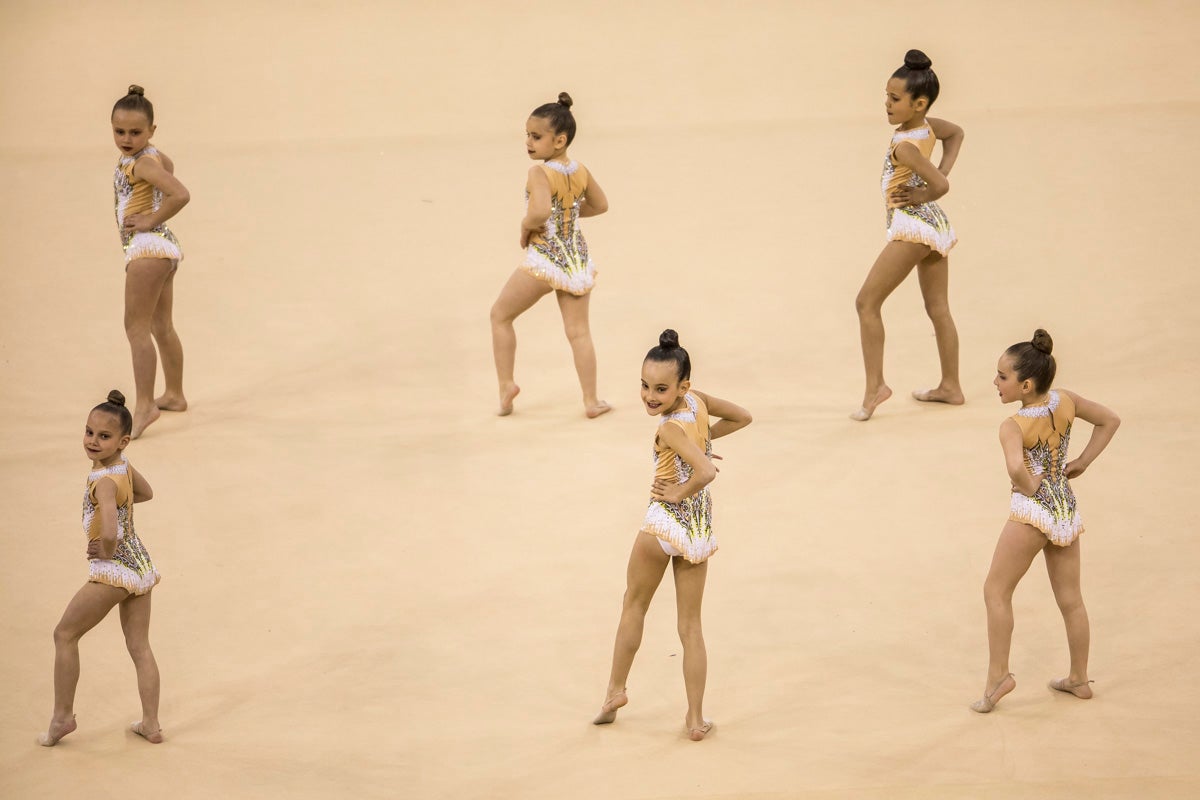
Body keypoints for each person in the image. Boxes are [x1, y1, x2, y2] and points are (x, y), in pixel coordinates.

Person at [593, 330, 751, 740]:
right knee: (691, 626)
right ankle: (695, 719)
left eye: (661, 388)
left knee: (634, 604)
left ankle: (614, 692)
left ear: (683, 385)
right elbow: (743, 416)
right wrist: (703, 441)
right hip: (698, 530)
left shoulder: (669, 430)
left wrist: (680, 486)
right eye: (644, 385)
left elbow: (707, 471)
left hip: (664, 521)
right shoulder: (699, 403)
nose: (650, 395)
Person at [971, 330, 1120, 713]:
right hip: (1066, 507)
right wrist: (1082, 461)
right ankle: (1079, 678)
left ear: (1025, 384)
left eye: (1002, 377)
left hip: (1033, 512)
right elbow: (1109, 420)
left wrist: (1028, 482)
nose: (995, 382)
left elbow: (1016, 470)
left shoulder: (1013, 426)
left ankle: (998, 677)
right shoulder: (1066, 401)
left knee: (996, 591)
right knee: (1071, 600)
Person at [38, 391, 164, 745]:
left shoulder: (103, 481)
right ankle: (151, 724)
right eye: (89, 432)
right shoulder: (122, 465)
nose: (93, 441)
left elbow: (109, 527)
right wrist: (122, 509)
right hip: (141, 565)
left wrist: (106, 546)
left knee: (64, 634)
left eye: (104, 436)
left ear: (122, 440)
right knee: (139, 646)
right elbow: (146, 492)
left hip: (114, 571)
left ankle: (62, 717)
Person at [852, 50, 965, 421]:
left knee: (866, 303)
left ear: (919, 103)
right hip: (934, 224)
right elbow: (956, 133)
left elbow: (941, 184)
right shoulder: (926, 127)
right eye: (886, 95)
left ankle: (875, 387)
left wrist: (924, 191)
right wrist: (937, 176)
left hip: (913, 226)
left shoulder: (905, 146)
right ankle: (951, 386)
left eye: (894, 99)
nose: (886, 103)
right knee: (938, 308)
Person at [489, 92, 610, 418]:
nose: (528, 142)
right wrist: (567, 214)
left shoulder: (540, 173)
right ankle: (591, 400)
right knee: (579, 333)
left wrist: (526, 225)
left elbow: (540, 210)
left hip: (546, 259)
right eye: (527, 135)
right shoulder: (580, 170)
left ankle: (506, 386)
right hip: (576, 261)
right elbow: (600, 205)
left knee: (500, 315)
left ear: (559, 140)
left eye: (536, 136)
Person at [112, 85, 190, 438]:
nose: (127, 138)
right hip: (164, 250)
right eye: (119, 131)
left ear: (151, 131)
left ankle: (145, 404)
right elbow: (168, 168)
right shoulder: (151, 157)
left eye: (136, 132)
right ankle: (173, 394)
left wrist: (149, 219)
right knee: (161, 326)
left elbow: (180, 193)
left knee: (136, 328)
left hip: (147, 249)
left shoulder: (142, 162)